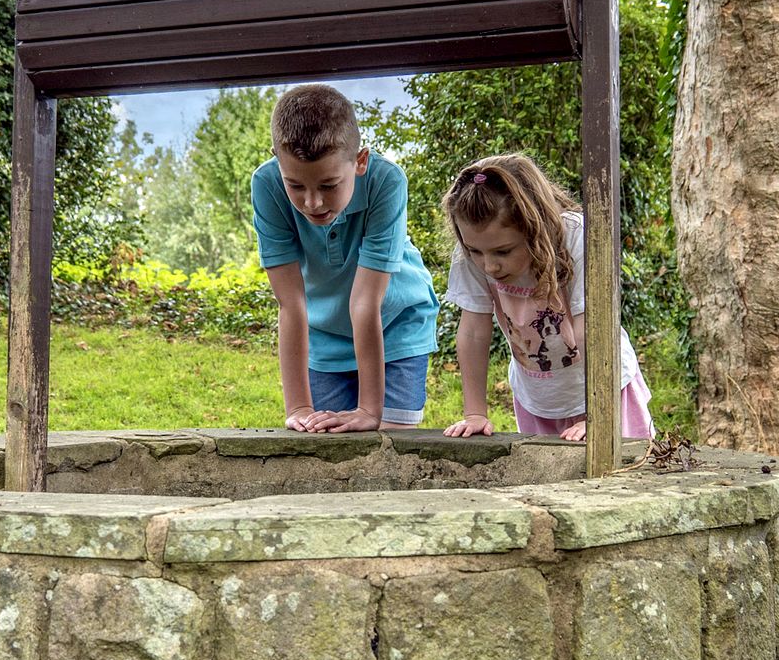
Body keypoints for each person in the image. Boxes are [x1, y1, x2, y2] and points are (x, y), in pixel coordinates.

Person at [251, 85, 439, 433]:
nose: (312, 203)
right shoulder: (265, 185)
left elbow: (367, 300)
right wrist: (299, 406)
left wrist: (370, 409)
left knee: (391, 437)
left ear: (360, 161)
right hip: (324, 333)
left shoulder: (387, 182)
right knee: (327, 439)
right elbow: (290, 301)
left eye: (329, 185)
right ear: (278, 164)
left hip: (395, 322)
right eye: (296, 186)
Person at [440, 154, 655, 442]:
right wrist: (475, 413)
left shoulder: (577, 235)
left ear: (534, 225)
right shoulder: (473, 251)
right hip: (538, 402)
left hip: (606, 392)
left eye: (503, 251)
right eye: (476, 252)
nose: (489, 266)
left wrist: (599, 411)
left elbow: (589, 328)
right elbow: (473, 332)